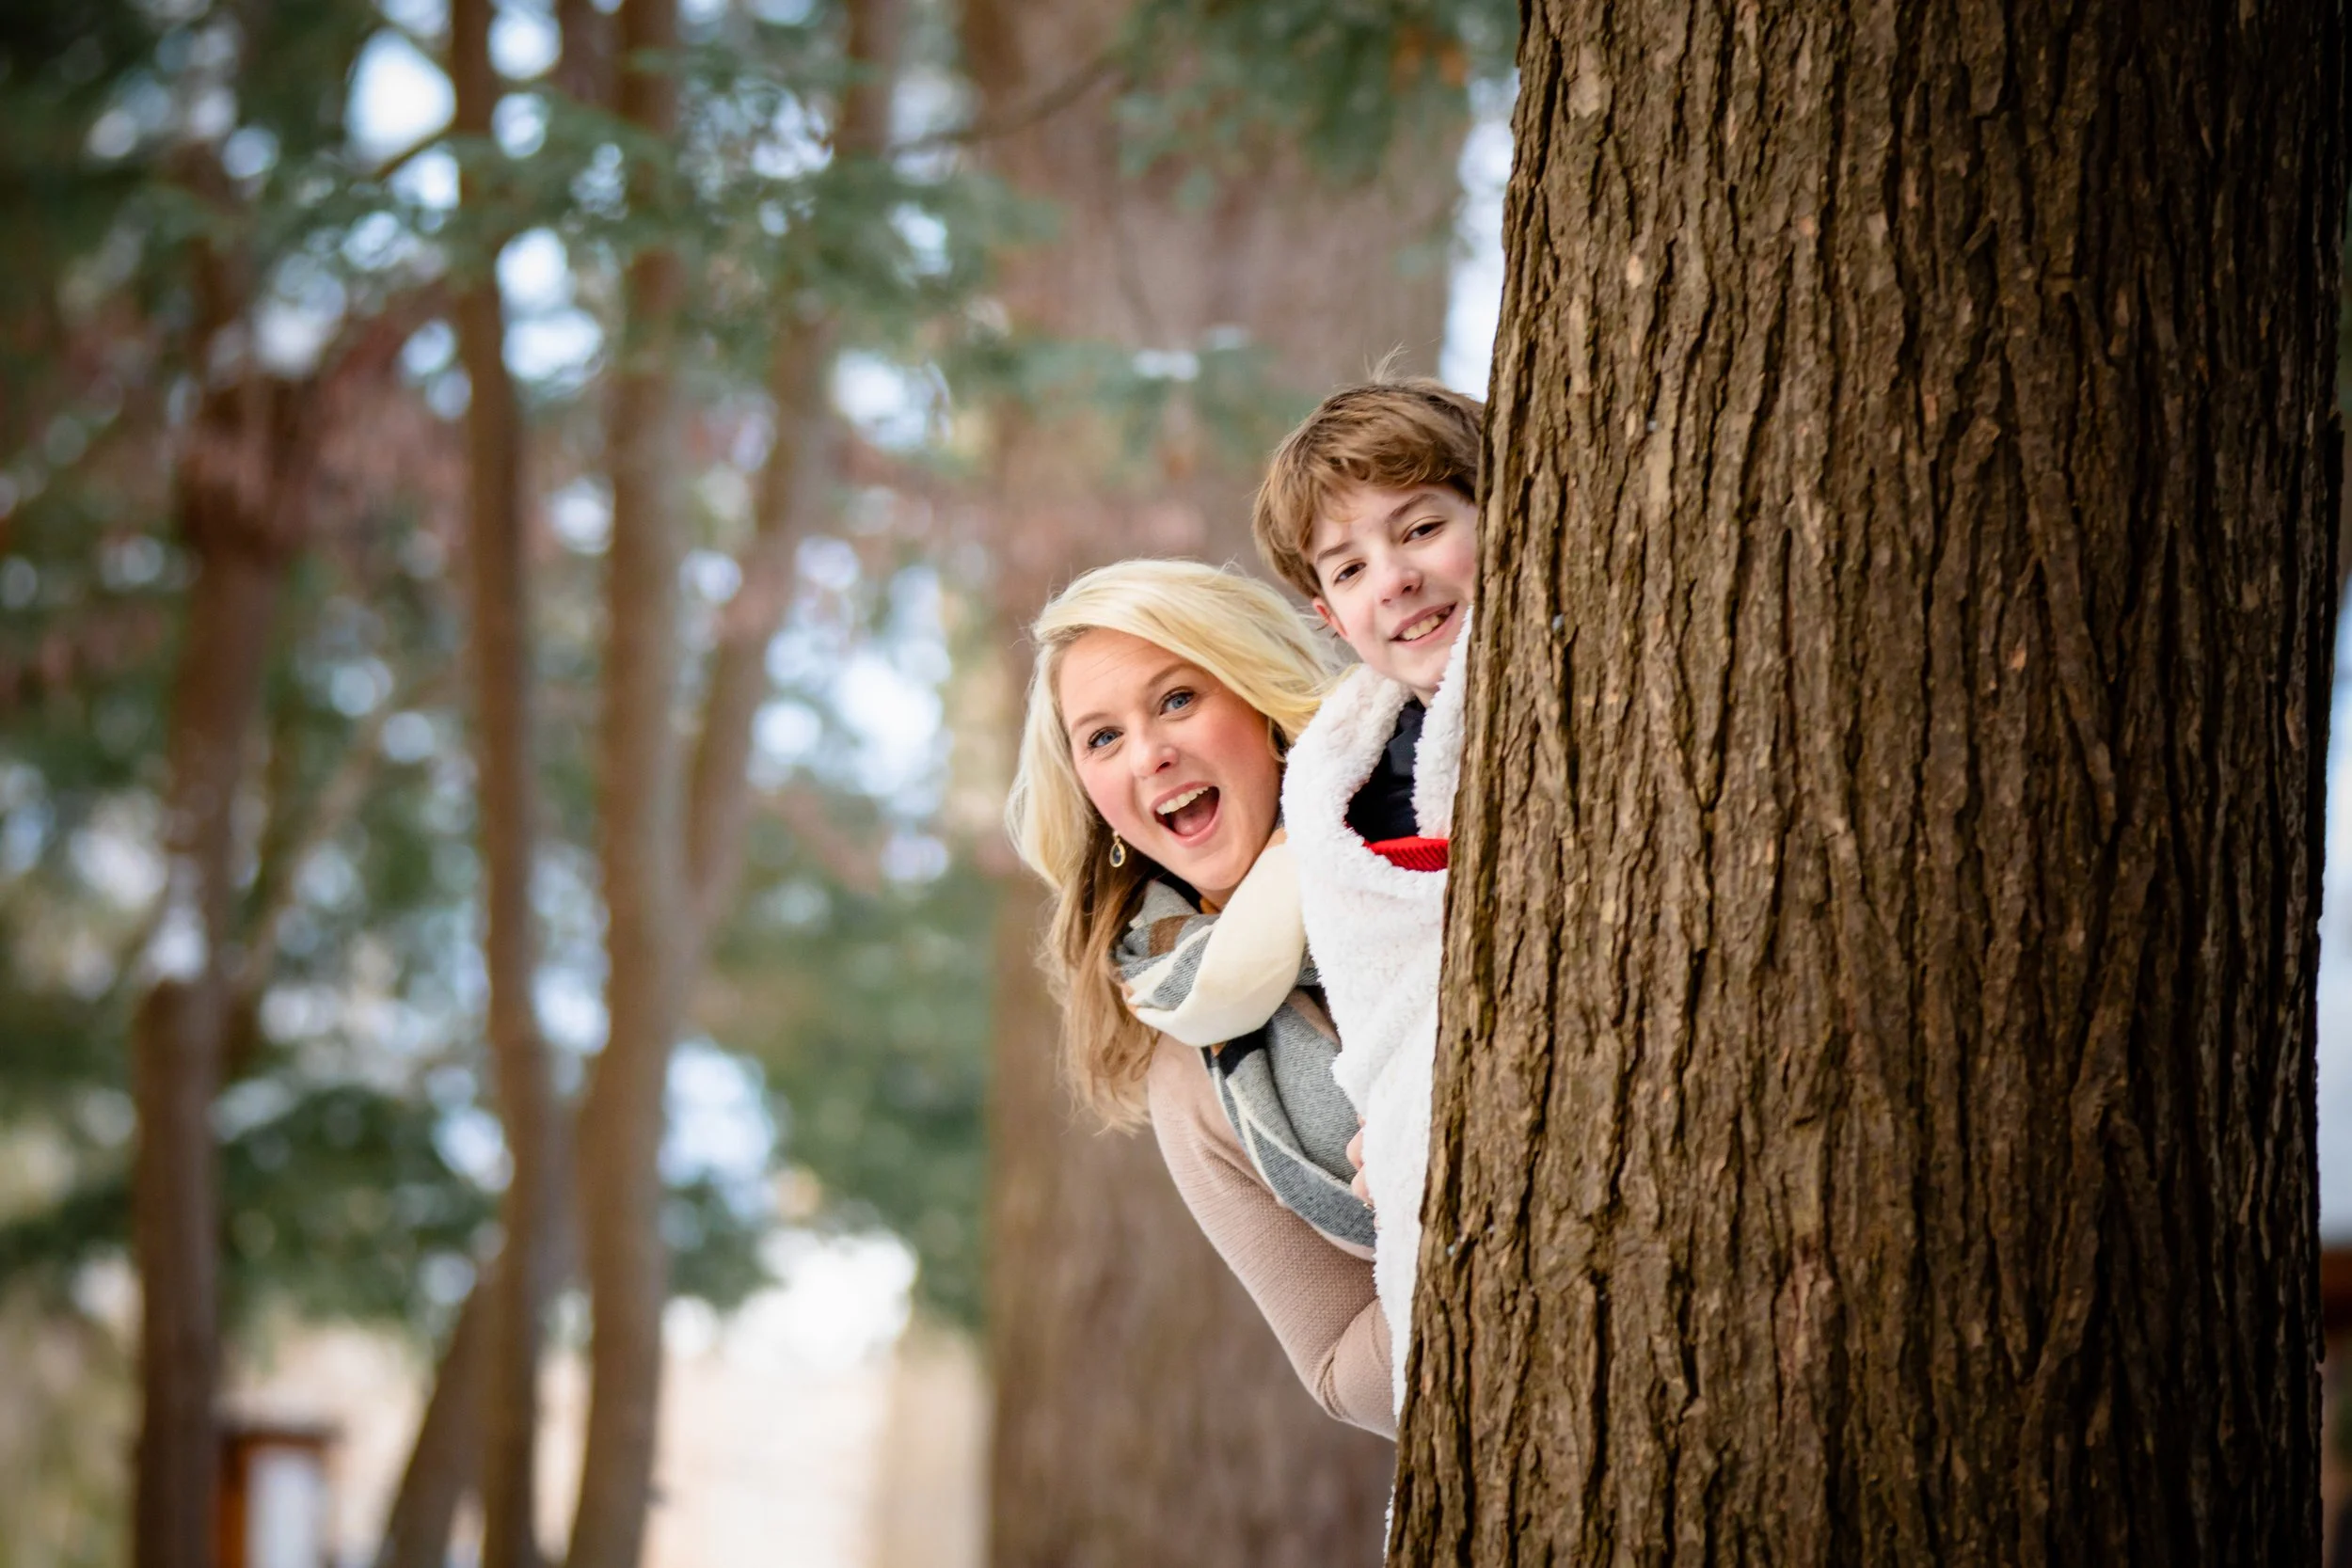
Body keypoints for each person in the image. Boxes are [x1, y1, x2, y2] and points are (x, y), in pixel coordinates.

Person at [1005, 557, 1397, 1436]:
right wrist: (1444, 1218)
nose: (1149, 753)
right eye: (1102, 737)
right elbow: (1340, 1367)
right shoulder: (1187, 1058)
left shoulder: (1422, 826)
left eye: (1177, 698)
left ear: (1259, 702)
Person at [1251, 375, 1485, 1413]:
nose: (1393, 579)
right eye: (1350, 566)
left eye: (1423, 527)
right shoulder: (1345, 770)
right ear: (1327, 613)